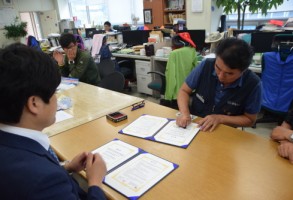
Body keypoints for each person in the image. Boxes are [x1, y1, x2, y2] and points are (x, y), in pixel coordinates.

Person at [0, 43, 107, 199]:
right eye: (54, 92)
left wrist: (66, 167)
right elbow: (39, 178)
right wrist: (95, 183)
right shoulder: (44, 180)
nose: (57, 99)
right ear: (34, 104)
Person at [176, 38, 262, 132]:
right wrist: (184, 113)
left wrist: (220, 118)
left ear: (243, 71)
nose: (220, 76)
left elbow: (250, 120)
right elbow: (184, 91)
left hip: (224, 130)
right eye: (217, 67)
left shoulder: (253, 84)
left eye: (229, 73)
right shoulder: (206, 65)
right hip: (195, 125)